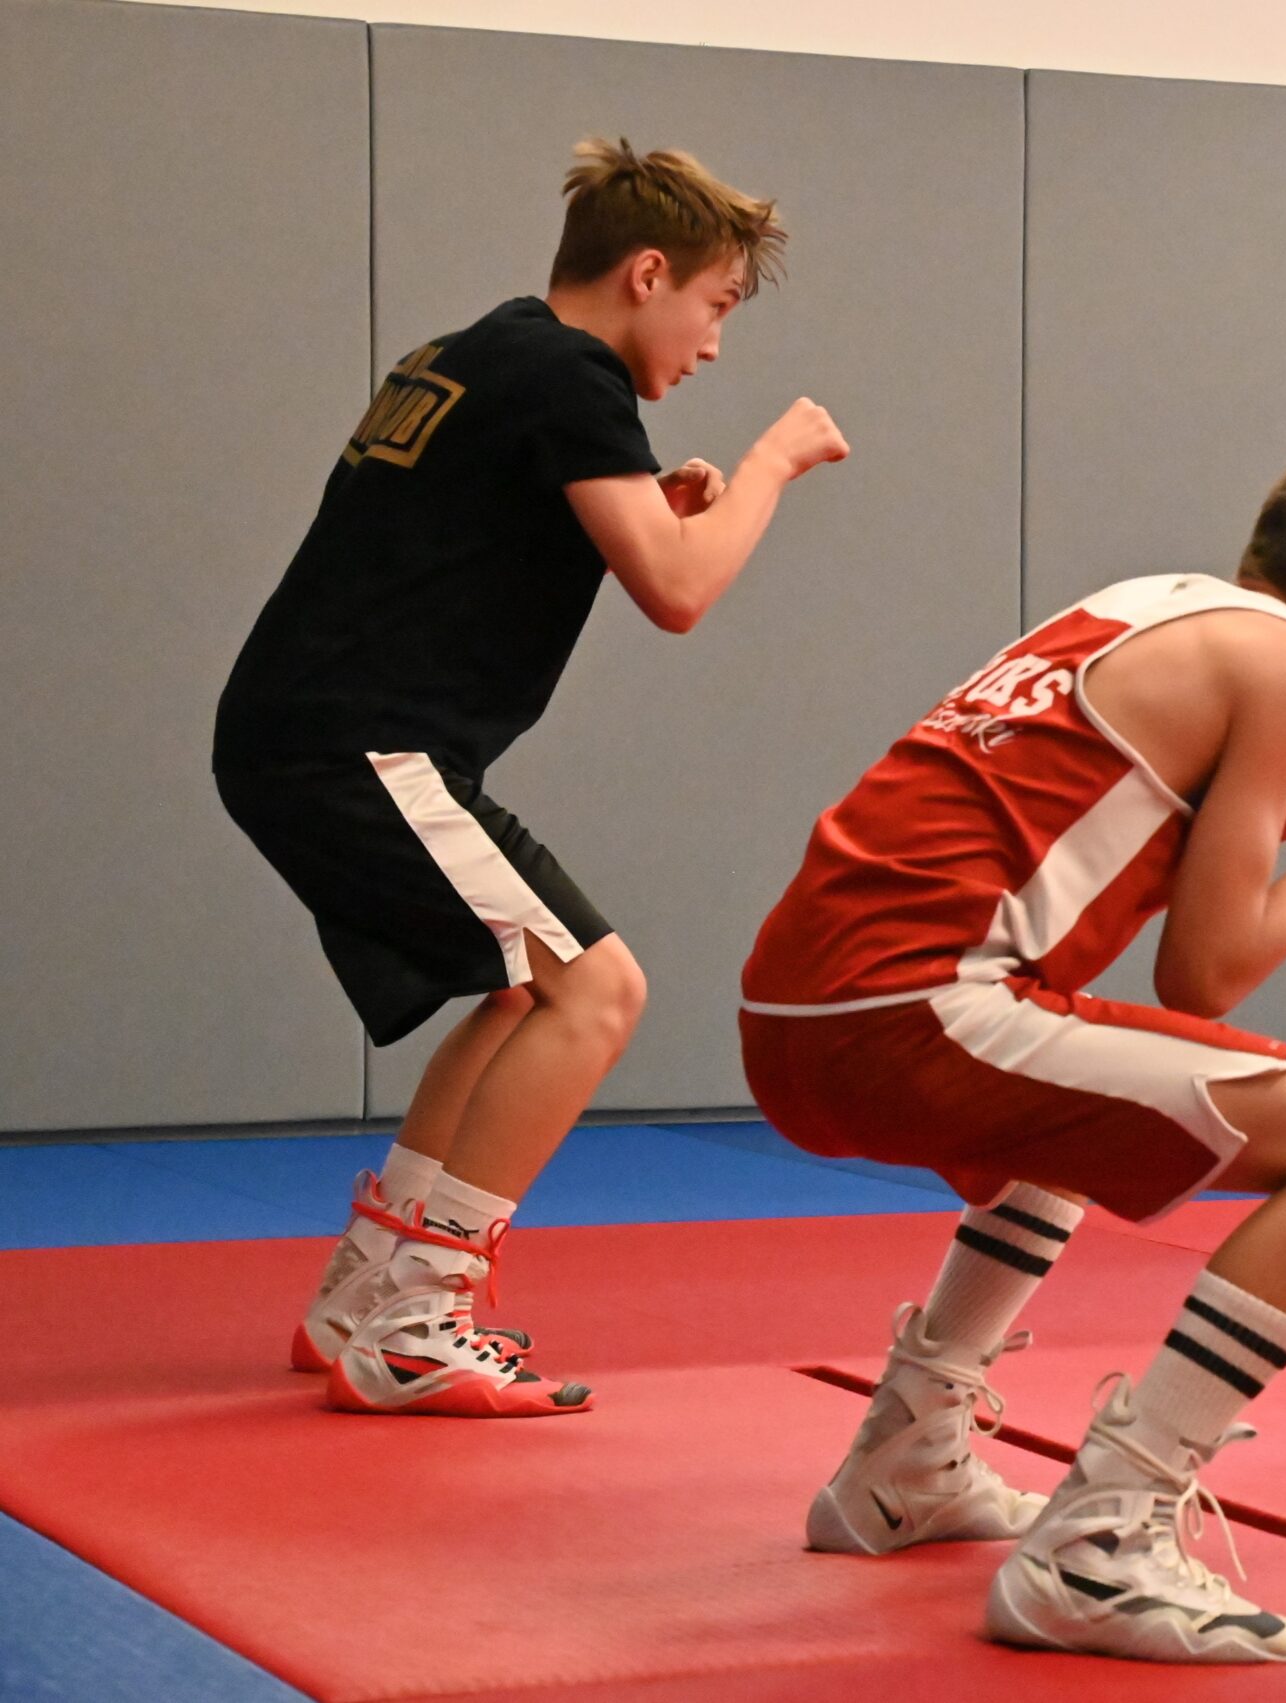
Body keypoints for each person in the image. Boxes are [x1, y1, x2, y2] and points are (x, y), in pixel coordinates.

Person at [739, 440, 1286, 1663]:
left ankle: (905, 1457)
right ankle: (1101, 1544)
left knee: (1072, 1082)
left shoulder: (1142, 610)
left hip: (794, 1014)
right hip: (908, 1011)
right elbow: (1205, 976)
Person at [212, 137, 846, 1415]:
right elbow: (677, 589)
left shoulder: (474, 351)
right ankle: (418, 1316)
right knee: (596, 990)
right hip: (359, 743)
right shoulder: (568, 372)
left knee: (515, 992)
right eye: (716, 304)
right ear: (647, 273)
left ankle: (363, 1294)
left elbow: (482, 520)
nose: (713, 345)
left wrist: (652, 500)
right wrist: (772, 465)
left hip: (316, 732)